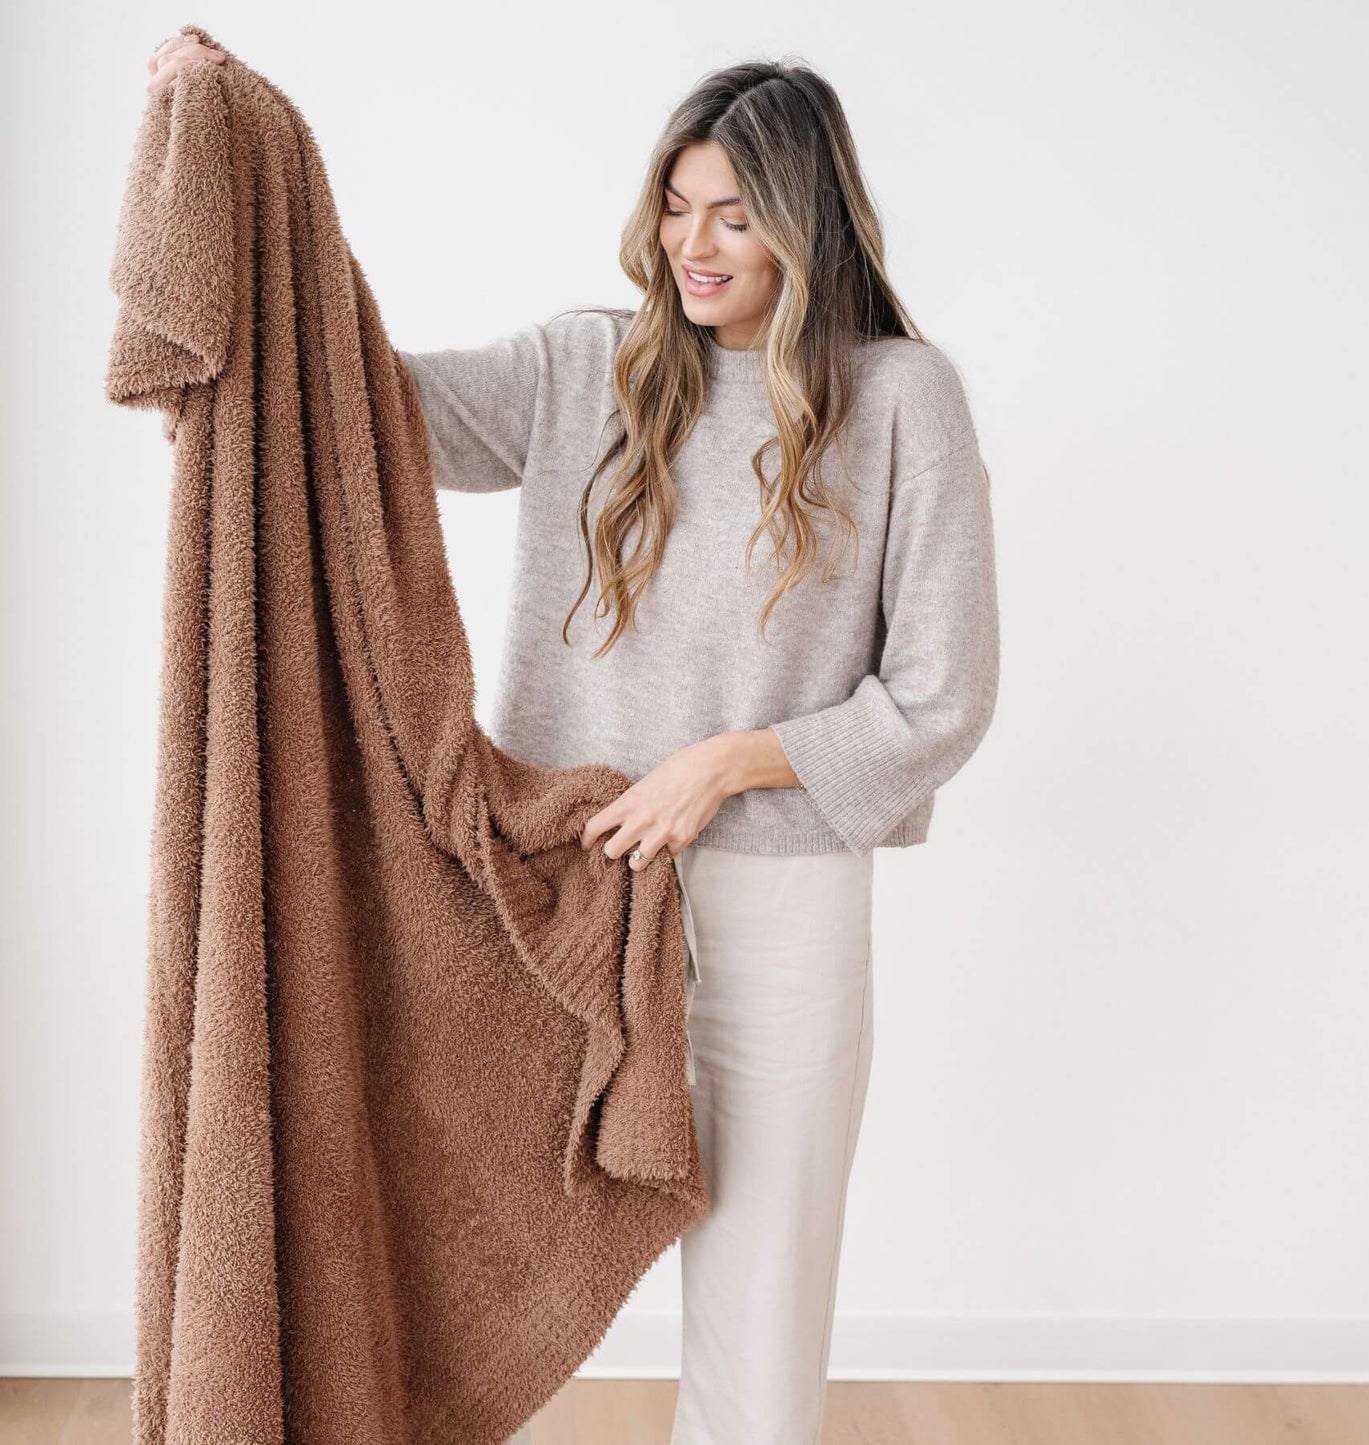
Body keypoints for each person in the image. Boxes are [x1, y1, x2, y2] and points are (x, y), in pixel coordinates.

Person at [145, 35, 1001, 1445]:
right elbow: (347, 408)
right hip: (565, 894)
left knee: (764, 1293)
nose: (692, 245)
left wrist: (720, 764)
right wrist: (245, 154)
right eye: (675, 206)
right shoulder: (583, 369)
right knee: (490, 1254)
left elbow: (942, 693)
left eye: (734, 215)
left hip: (779, 898)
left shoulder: (902, 398)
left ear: (808, 222)